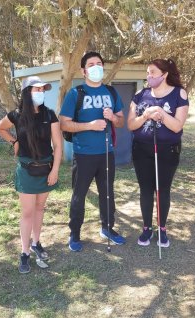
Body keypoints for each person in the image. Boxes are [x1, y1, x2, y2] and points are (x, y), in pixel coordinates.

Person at [59, 51, 126, 252]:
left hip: (106, 153)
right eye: (91, 64)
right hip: (83, 154)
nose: (96, 67)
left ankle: (107, 228)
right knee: (79, 195)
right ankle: (75, 233)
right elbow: (64, 124)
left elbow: (121, 121)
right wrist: (89, 125)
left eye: (99, 63)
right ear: (84, 70)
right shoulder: (76, 93)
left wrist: (113, 118)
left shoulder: (111, 93)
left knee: (107, 193)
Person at [0, 76, 62, 273]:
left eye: (42, 90)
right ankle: (24, 252)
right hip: (26, 169)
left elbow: (58, 145)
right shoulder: (16, 115)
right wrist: (14, 142)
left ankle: (36, 242)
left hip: (46, 169)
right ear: (26, 92)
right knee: (27, 212)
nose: (40, 93)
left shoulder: (50, 115)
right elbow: (1, 128)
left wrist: (55, 170)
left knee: (40, 208)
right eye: (36, 90)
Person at [127, 58, 189, 248]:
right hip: (142, 150)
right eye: (148, 72)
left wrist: (161, 113)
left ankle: (162, 228)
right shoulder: (140, 94)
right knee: (146, 190)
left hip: (167, 152)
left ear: (165, 74)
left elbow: (177, 126)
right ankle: (147, 228)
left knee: (162, 190)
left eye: (153, 72)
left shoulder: (179, 93)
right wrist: (145, 115)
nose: (149, 76)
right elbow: (131, 124)